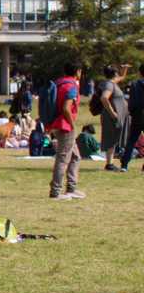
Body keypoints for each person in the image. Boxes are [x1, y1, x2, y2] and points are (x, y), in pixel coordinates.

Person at [46, 63, 84, 200]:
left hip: (55, 123)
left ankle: (71, 188)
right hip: (65, 126)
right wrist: (73, 125)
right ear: (78, 71)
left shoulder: (59, 83)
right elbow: (66, 108)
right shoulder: (72, 86)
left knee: (75, 156)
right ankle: (55, 191)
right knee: (63, 158)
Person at [97, 65, 129, 172]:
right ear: (115, 73)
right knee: (111, 138)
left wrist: (125, 68)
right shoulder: (110, 85)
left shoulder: (111, 83)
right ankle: (109, 164)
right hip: (111, 116)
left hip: (114, 116)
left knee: (114, 138)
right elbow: (104, 98)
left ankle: (110, 163)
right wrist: (113, 113)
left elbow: (121, 77)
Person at [121, 63, 144, 171]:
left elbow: (131, 101)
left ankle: (124, 165)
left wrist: (131, 112)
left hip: (137, 115)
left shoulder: (134, 84)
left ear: (140, 72)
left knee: (132, 140)